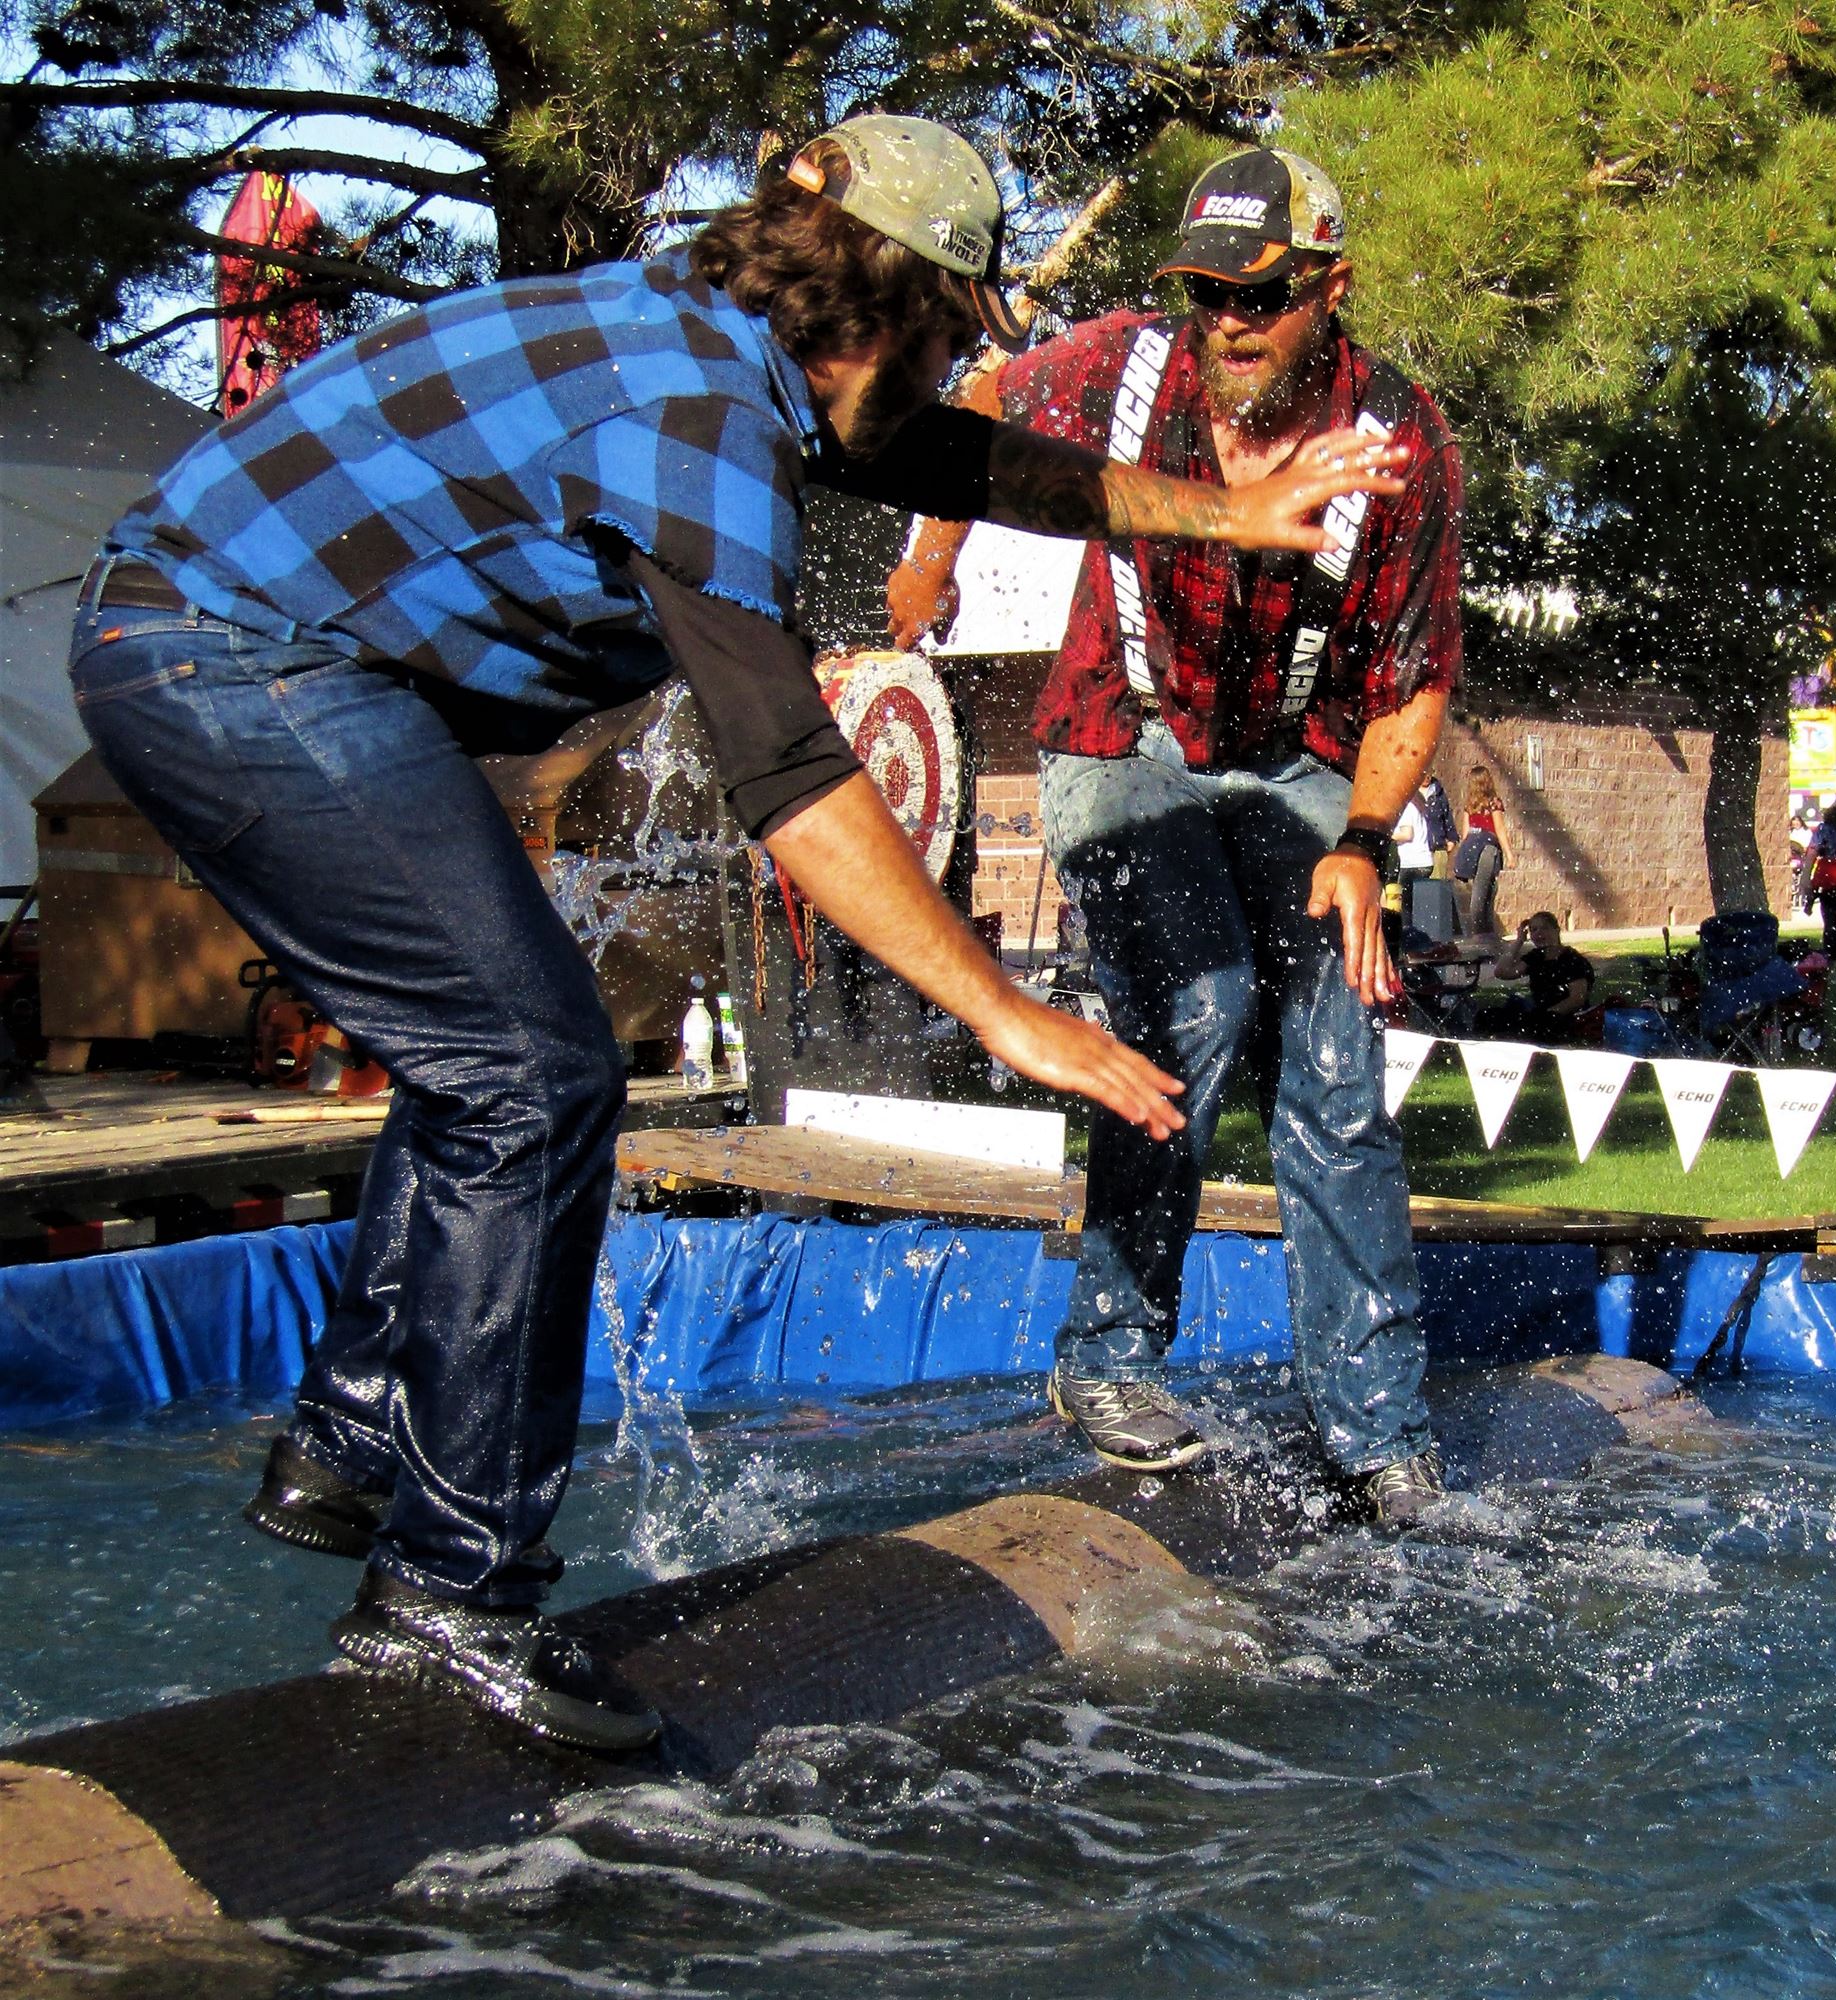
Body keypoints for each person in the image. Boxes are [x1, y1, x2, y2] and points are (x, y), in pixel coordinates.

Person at [69, 117, 1409, 1750]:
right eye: (940, 345)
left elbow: (959, 465)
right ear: (893, 304)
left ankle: (354, 1439)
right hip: (232, 657)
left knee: (484, 1046)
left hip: (218, 633)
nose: (936, 387)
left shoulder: (715, 342)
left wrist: (1212, 514)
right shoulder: (699, 409)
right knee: (537, 1072)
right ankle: (450, 1595)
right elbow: (785, 773)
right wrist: (1002, 1011)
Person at [887, 145, 1459, 1524]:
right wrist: (931, 553)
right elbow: (968, 404)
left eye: (1257, 298)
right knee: (1192, 1011)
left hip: (1300, 760)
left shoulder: (1403, 443)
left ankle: (1374, 1432)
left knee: (1331, 1076)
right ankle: (1105, 1362)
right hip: (1115, 730)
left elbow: (1414, 672)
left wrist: (1364, 844)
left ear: (1330, 288)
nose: (1227, 324)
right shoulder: (1117, 368)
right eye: (1203, 293)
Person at [1490, 912, 1596, 1041]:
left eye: (1545, 928)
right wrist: (1519, 941)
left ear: (1556, 931)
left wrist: (1546, 1015)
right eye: (1534, 930)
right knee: (1488, 1016)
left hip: (1565, 1017)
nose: (1539, 933)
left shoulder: (1572, 960)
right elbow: (1502, 972)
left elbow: (1577, 999)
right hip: (1538, 1012)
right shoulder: (1536, 957)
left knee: (1531, 1025)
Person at [1453, 765, 1513, 937]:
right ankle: (1481, 933)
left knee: (1486, 889)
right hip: (1487, 849)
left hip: (1471, 848)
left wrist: (1462, 857)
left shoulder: (1470, 805)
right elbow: (1499, 829)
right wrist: (1509, 854)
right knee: (1482, 893)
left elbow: (1465, 833)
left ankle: (1484, 932)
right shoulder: (1494, 803)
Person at [1795, 800, 1836, 960]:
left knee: (1831, 921)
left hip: (1829, 881)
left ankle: (1830, 955)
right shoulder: (1827, 829)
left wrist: (1805, 878)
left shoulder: (1824, 829)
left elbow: (1812, 853)